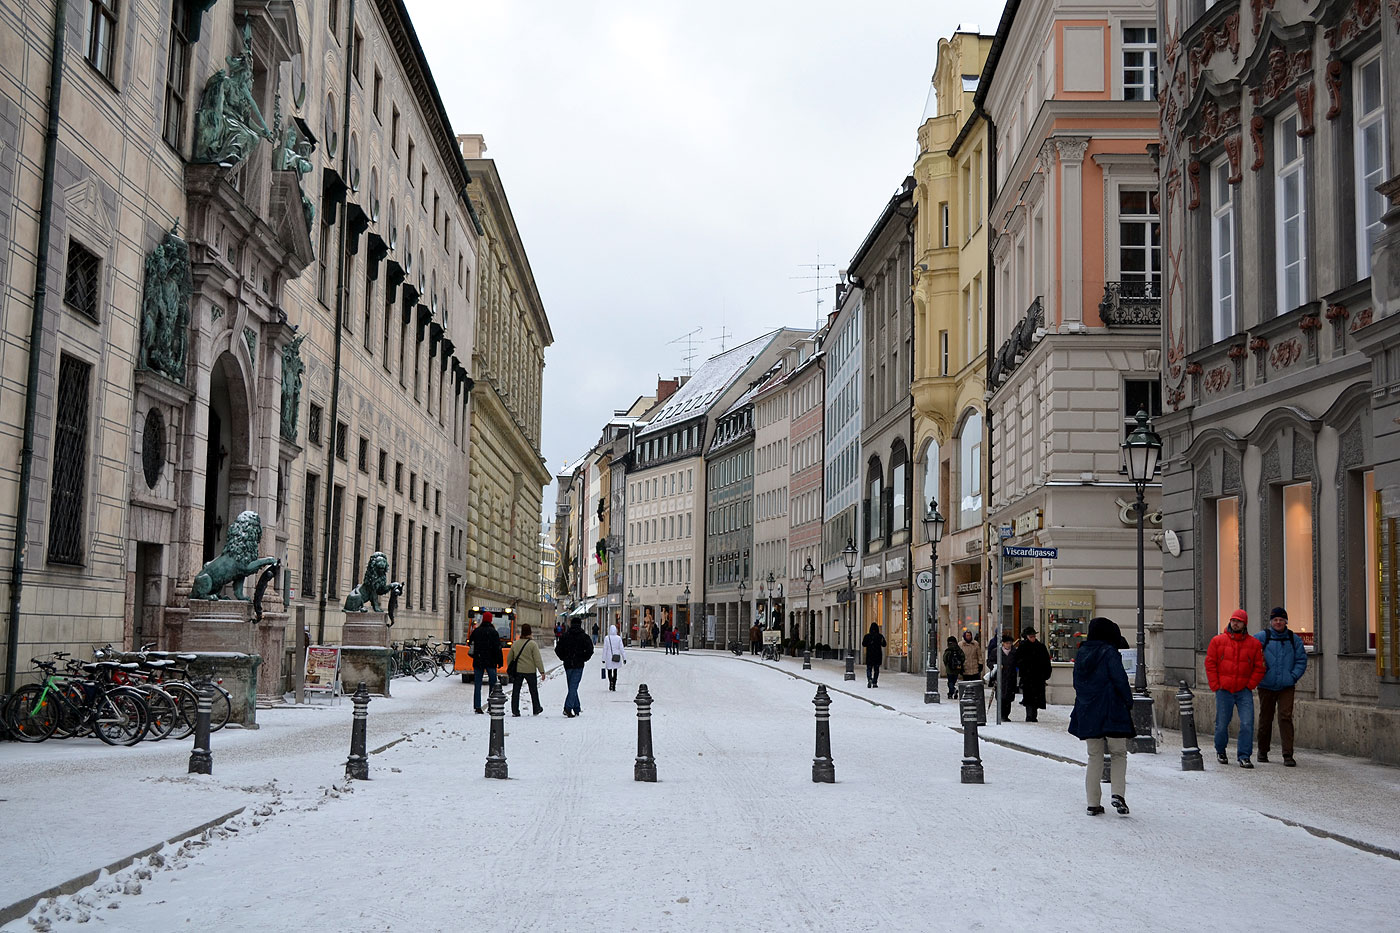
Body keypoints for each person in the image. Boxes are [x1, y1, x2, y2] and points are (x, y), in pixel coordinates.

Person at [1068, 617, 1135, 816]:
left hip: (1088, 711)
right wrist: (1128, 701)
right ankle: (1117, 794)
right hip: (1111, 709)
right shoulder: (1109, 652)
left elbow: (1077, 683)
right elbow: (1120, 679)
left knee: (1094, 756)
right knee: (1118, 752)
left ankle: (1092, 803)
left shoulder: (1081, 653)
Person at [1205, 608, 1267, 768]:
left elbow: (1260, 667)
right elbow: (1210, 663)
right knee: (1221, 724)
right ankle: (1220, 750)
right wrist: (1216, 685)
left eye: (1238, 621)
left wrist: (1250, 684)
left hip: (1243, 690)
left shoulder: (1254, 644)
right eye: (1233, 620)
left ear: (1244, 624)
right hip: (1224, 689)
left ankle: (1244, 755)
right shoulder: (1218, 641)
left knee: (1247, 723)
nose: (1235, 623)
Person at [1255, 607, 1308, 767]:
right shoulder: (1262, 637)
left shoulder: (1294, 639)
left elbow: (1301, 660)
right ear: (1271, 622)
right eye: (1275, 620)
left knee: (1285, 718)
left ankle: (1288, 755)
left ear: (1286, 621)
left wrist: (1292, 676)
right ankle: (1262, 751)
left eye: (1281, 620)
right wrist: (1260, 674)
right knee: (1266, 718)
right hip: (1266, 685)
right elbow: (1251, 656)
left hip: (1286, 686)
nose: (1278, 622)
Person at [554, 617, 594, 717]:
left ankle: (576, 707)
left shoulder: (565, 636)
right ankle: (568, 708)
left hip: (568, 664)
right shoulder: (584, 636)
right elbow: (590, 650)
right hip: (578, 664)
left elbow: (558, 649)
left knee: (572, 686)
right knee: (573, 686)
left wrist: (564, 658)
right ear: (580, 624)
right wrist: (584, 658)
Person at [506, 624, 545, 717]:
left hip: (518, 671)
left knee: (516, 691)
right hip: (530, 671)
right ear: (530, 632)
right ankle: (536, 708)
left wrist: (511, 667)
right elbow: (537, 659)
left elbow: (509, 658)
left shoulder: (516, 643)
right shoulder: (532, 644)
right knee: (533, 690)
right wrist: (542, 671)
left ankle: (515, 710)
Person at [1014, 628, 1052, 723]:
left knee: (1036, 697)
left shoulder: (1040, 647)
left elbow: (1046, 662)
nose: (1033, 638)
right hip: (1028, 677)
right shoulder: (1023, 647)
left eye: (1034, 636)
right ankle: (1030, 715)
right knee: (1029, 697)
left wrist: (1046, 674)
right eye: (1031, 636)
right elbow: (1017, 661)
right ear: (1027, 637)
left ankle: (1033, 715)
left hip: (1038, 677)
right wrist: (1023, 669)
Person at [469, 612, 503, 714]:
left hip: (478, 660)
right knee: (492, 684)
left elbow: (470, 642)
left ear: (483, 619)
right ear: (491, 620)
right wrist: (499, 661)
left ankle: (477, 707)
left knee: (478, 684)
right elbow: (498, 648)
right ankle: (491, 705)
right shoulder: (494, 632)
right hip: (491, 661)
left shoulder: (477, 631)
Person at [991, 633, 1018, 721]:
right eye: (1007, 643)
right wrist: (995, 666)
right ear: (1003, 643)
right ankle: (1001, 715)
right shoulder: (996, 652)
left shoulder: (1014, 652)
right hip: (1000, 677)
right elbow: (990, 661)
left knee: (1008, 698)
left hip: (1011, 677)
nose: (1008, 645)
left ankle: (1006, 715)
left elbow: (1018, 662)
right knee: (1001, 696)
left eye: (1010, 643)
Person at [601, 624, 627, 692]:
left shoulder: (607, 638)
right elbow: (622, 648)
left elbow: (605, 649)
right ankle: (614, 685)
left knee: (609, 671)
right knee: (615, 671)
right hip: (616, 656)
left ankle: (610, 683)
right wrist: (624, 658)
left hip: (609, 657)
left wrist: (603, 659)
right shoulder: (618, 638)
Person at [862, 622, 886, 688]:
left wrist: (869, 643)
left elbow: (863, 644)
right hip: (877, 655)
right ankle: (875, 682)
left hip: (869, 655)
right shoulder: (880, 636)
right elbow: (884, 644)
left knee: (869, 668)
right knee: (876, 670)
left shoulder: (867, 636)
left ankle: (869, 679)